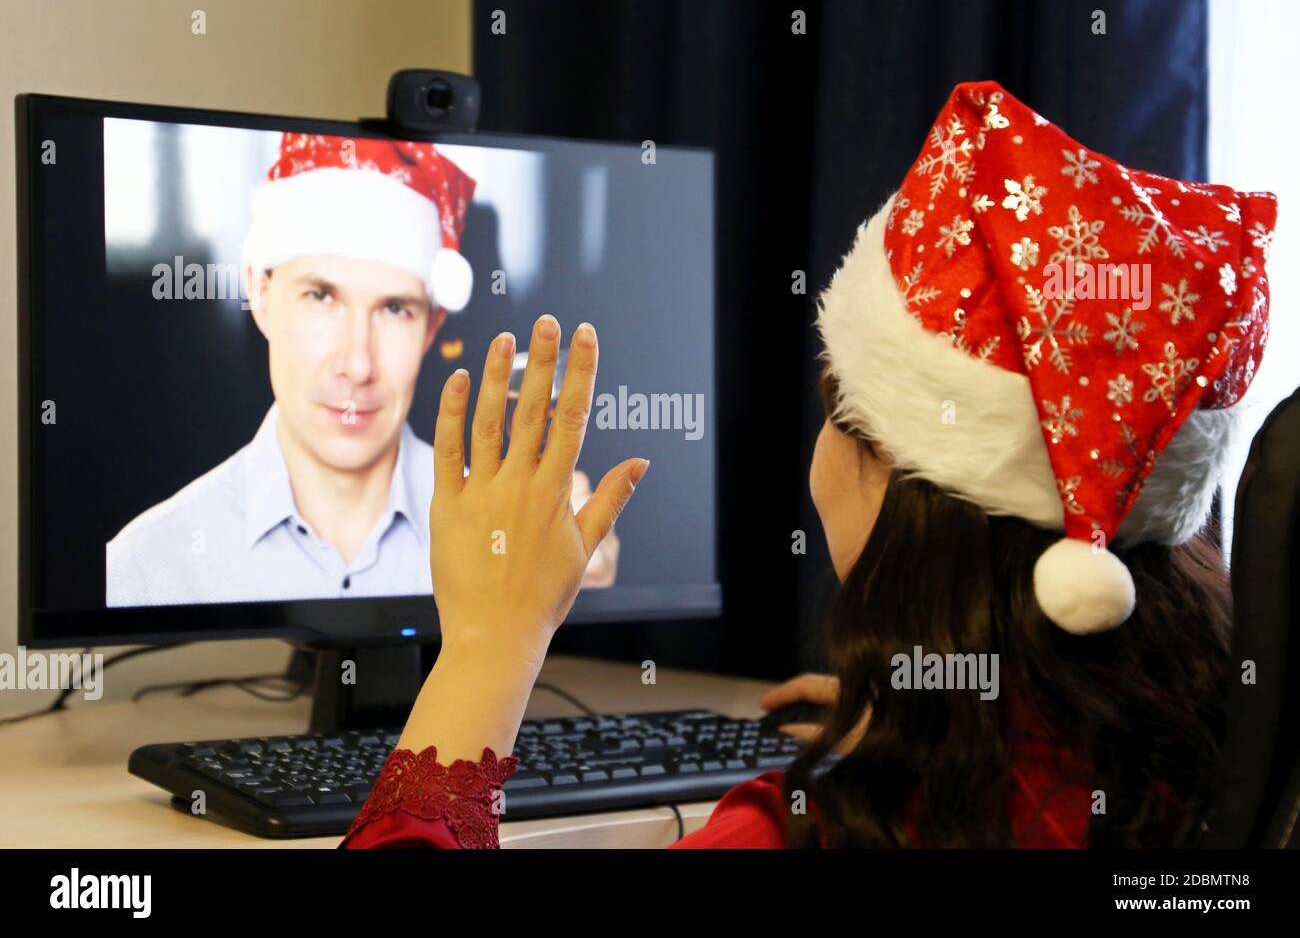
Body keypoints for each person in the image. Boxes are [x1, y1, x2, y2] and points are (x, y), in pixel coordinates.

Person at [338, 81, 1277, 849]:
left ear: (898, 473)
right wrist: (936, 706)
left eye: (835, 413)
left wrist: (489, 647)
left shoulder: (815, 832)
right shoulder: (1226, 759)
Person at [106, 133, 616, 607]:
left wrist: (560, 595)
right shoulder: (147, 563)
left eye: (395, 309)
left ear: (433, 324)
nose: (357, 364)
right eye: (321, 296)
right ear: (258, 293)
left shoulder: (510, 539)